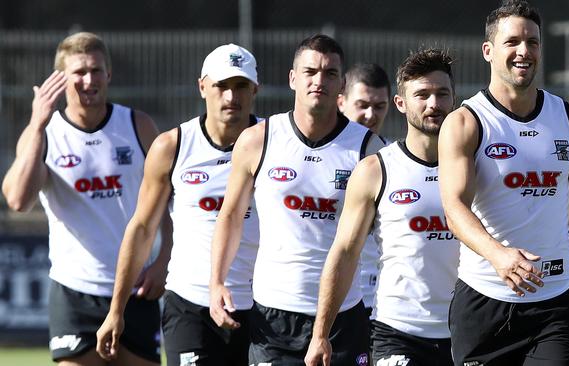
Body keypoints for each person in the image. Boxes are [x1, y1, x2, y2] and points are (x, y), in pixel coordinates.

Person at [438, 1, 569, 365]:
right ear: (488, 51)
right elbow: (454, 208)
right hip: (483, 303)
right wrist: (499, 256)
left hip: (555, 305)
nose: (523, 51)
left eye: (532, 42)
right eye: (512, 41)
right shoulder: (466, 122)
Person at [209, 34, 385, 365]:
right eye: (310, 72)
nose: (320, 81)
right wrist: (216, 280)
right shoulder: (257, 140)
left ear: (342, 85)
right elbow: (231, 216)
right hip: (273, 316)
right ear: (293, 78)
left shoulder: (369, 149)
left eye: (330, 73)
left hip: (342, 316)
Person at [1, 32, 170, 365]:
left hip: (136, 288)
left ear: (109, 74)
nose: (88, 80)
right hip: (75, 291)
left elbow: (170, 199)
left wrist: (164, 260)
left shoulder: (138, 126)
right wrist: (37, 124)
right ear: (61, 78)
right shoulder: (45, 135)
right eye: (79, 72)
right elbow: (18, 200)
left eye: (96, 70)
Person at [95, 43, 261, 366]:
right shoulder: (173, 147)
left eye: (241, 86)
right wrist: (116, 310)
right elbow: (142, 229)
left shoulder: (276, 142)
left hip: (263, 307)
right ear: (202, 87)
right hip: (190, 306)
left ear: (256, 89)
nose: (231, 97)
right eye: (221, 86)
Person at [305, 48, 459, 366]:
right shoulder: (376, 170)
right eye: (422, 94)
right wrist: (320, 334)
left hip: (465, 330)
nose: (433, 104)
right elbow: (345, 251)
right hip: (398, 332)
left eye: (442, 94)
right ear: (401, 103)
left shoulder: (475, 167)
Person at [337, 62, 391, 318]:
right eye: (362, 105)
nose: (371, 115)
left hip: (375, 302)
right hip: (323, 297)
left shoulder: (395, 161)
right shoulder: (326, 156)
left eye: (379, 106)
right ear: (341, 102)